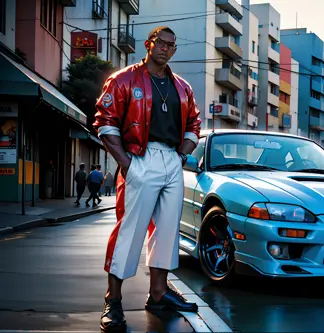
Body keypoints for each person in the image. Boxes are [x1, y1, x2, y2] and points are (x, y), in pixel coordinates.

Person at [93, 26, 201, 332]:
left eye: (172, 45)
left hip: (172, 158)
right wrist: (126, 163)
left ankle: (158, 293)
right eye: (162, 43)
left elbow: (194, 122)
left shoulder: (181, 86)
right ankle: (113, 300)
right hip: (140, 156)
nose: (167, 48)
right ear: (149, 44)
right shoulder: (125, 78)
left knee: (167, 231)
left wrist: (181, 155)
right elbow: (104, 119)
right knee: (130, 230)